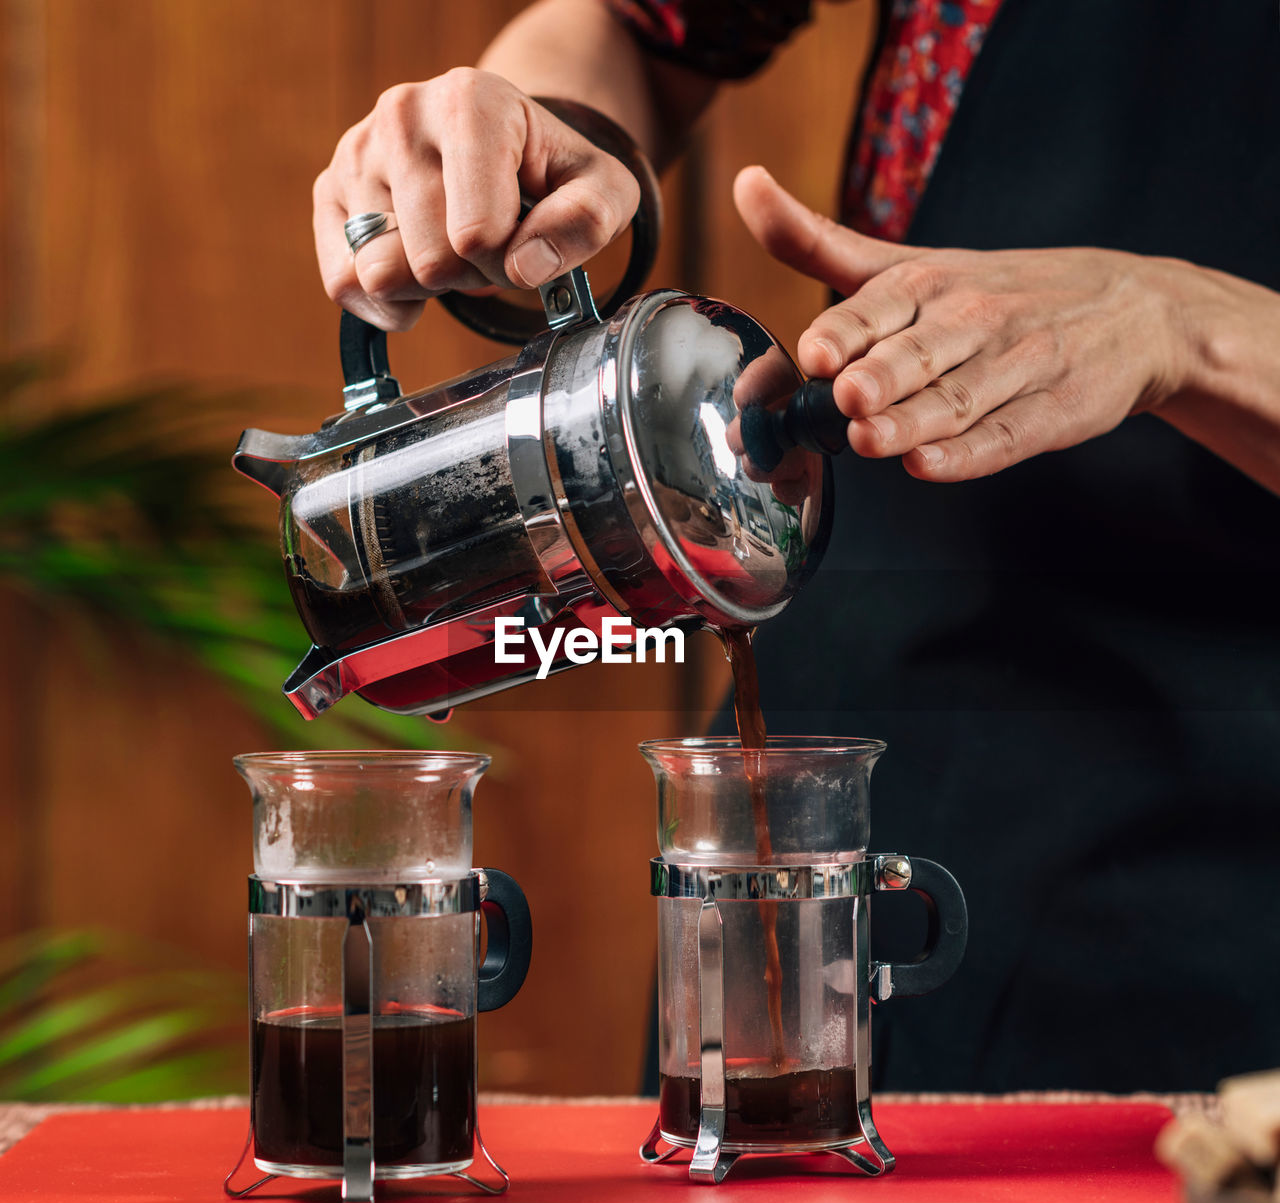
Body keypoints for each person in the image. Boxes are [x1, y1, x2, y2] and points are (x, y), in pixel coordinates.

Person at [313, 0, 1280, 1092]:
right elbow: (641, 31)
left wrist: (1177, 323)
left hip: (1204, 866)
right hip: (833, 768)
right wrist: (527, 147)